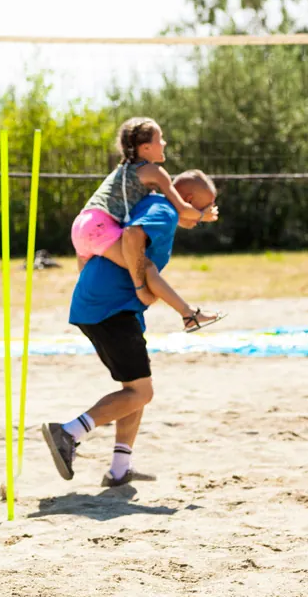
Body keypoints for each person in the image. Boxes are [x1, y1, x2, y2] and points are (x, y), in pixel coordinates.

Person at [44, 170, 221, 488]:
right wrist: (179, 307)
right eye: (205, 207)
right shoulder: (162, 209)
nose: (207, 214)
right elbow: (132, 238)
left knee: (134, 391)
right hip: (108, 307)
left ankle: (119, 468)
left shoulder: (160, 206)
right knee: (142, 392)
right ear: (189, 201)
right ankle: (68, 432)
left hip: (110, 305)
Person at [71, 117, 222, 331]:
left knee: (90, 283)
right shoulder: (155, 172)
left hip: (82, 225)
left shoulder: (124, 169)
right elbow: (180, 207)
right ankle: (188, 314)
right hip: (99, 227)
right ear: (146, 147)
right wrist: (202, 215)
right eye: (160, 139)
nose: (164, 144)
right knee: (145, 266)